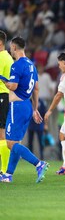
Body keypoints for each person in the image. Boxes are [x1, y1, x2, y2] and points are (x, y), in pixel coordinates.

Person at [0, 36, 49, 183]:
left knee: (10, 144)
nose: (10, 50)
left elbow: (13, 86)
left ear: (14, 47)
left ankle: (39, 164)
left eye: (11, 47)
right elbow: (36, 88)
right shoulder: (31, 65)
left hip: (17, 106)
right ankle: (8, 175)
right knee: (16, 143)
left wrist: (1, 77)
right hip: (27, 106)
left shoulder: (17, 65)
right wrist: (35, 109)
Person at [0, 30, 13, 174]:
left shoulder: (2, 57)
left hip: (2, 95)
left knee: (2, 134)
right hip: (4, 96)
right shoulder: (8, 57)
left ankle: (4, 170)